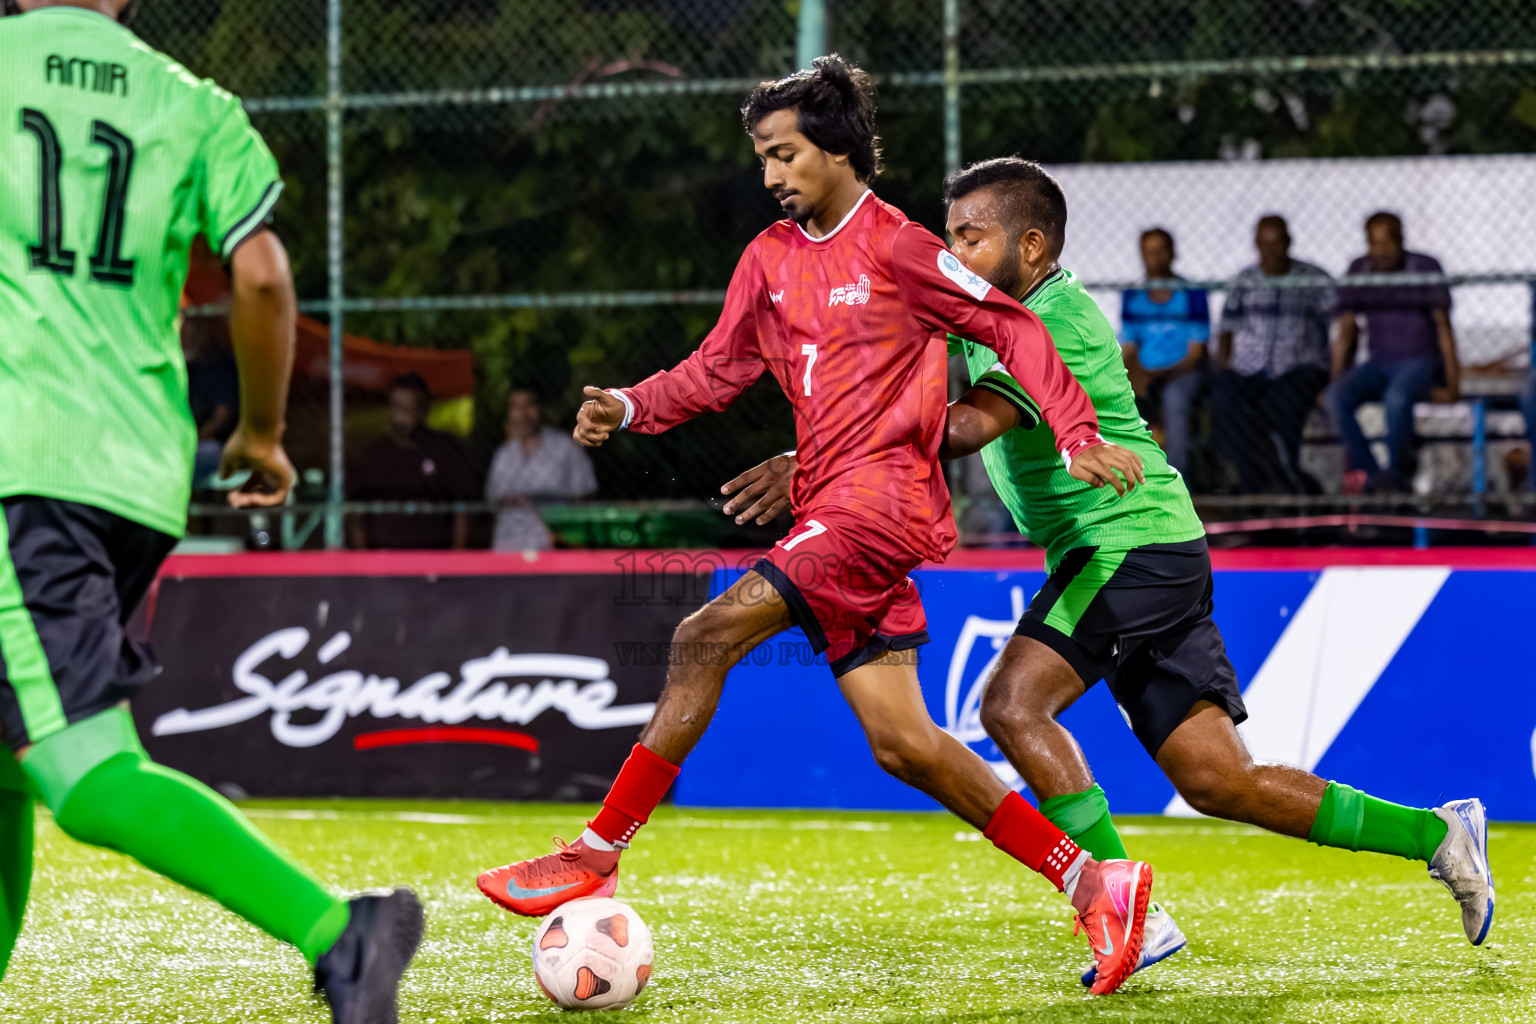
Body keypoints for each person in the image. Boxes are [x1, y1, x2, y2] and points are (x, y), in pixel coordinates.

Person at [722, 157, 1496, 986]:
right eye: (949, 237)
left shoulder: (1052, 320)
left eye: (971, 239)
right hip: (1147, 546)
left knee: (1012, 705)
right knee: (1218, 781)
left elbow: (966, 427)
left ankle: (1122, 905)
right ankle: (1438, 835)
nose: (954, 253)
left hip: (1130, 544)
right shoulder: (989, 312)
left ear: (1030, 246)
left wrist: (821, 458)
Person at [476, 55, 1157, 996]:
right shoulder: (770, 258)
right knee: (904, 744)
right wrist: (629, 406)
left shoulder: (902, 249)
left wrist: (1076, 432)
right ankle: (1093, 881)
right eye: (762, 156)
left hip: (877, 511)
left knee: (703, 635)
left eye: (784, 153)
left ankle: (596, 853)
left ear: (838, 149)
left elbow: (1016, 329)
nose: (770, 174)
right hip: (832, 509)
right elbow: (716, 369)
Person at [0, 1, 422, 1019]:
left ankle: (339, 931)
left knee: (81, 770)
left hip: (22, 462)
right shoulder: (194, 105)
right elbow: (262, 275)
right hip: (138, 476)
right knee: (10, 752)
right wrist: (263, 434)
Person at [1329, 212, 1460, 494]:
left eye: (1387, 242)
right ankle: (1375, 476)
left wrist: (1453, 384)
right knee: (1334, 398)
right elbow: (1347, 331)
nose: (1381, 251)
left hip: (1418, 361)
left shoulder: (1424, 267)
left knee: (1397, 398)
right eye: (1374, 244)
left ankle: (1399, 478)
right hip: (1377, 363)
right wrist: (1335, 379)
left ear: (1401, 240)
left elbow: (1444, 327)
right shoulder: (1360, 270)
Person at [1210, 215, 1334, 494]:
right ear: (1256, 245)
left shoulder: (1314, 280)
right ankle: (1250, 483)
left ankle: (1289, 477)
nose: (1272, 252)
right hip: (1250, 370)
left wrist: (1334, 376)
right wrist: (1223, 367)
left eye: (1277, 244)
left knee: (1284, 402)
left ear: (1288, 242)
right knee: (1225, 399)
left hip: (1298, 368)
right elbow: (1226, 330)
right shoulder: (1244, 282)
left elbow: (1341, 326)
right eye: (1265, 245)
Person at [347, 374, 477, 550]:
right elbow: (356, 515)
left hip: (432, 556)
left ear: (423, 412)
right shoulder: (372, 455)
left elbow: (461, 510)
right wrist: (362, 560)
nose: (400, 418)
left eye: (407, 410)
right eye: (396, 408)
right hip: (383, 556)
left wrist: (457, 558)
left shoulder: (445, 451)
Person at [1118, 228, 1209, 474]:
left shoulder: (1192, 293)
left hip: (1183, 372)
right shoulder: (1133, 296)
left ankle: (1178, 478)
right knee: (1119, 396)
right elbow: (1129, 348)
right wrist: (1133, 378)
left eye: (1161, 251)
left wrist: (1159, 376)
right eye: (1149, 252)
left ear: (1172, 253)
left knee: (1174, 397)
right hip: (1144, 372)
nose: (1155, 258)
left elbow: (1196, 353)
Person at [486, 388, 597, 551]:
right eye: (516, 407)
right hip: (509, 547)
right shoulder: (502, 455)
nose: (523, 413)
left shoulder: (565, 447)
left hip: (552, 546)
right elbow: (495, 508)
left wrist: (570, 538)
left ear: (540, 409)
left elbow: (585, 495)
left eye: (529, 405)